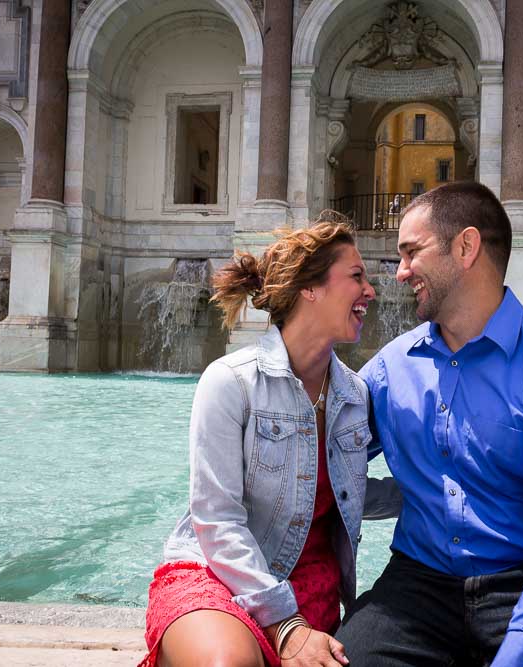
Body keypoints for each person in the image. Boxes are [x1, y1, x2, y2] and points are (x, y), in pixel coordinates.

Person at [336, 181, 523, 667]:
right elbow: (317, 457)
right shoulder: (390, 369)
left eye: (412, 252)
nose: (400, 272)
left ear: (466, 247)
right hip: (416, 584)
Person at [140, 221, 380, 667]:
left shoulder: (355, 394)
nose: (370, 290)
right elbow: (216, 519)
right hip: (217, 573)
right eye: (356, 277)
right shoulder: (229, 381)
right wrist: (283, 622)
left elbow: (350, 492)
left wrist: (449, 492)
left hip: (311, 586)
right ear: (310, 288)